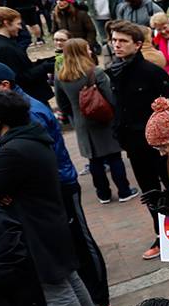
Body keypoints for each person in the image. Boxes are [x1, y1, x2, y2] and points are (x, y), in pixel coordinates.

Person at [0, 89, 99, 306]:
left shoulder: (12, 151)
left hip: (34, 226)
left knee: (54, 287)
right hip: (49, 219)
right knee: (68, 277)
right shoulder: (27, 138)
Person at [105, 20, 169, 260]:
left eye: (123, 41)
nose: (116, 45)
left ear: (137, 45)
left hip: (158, 146)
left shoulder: (152, 73)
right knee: (149, 192)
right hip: (134, 145)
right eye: (114, 40)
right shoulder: (115, 72)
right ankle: (162, 236)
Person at [55, 38, 136, 204]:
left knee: (94, 160)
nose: (90, 51)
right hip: (103, 119)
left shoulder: (61, 76)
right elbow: (110, 97)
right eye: (87, 49)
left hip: (81, 122)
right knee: (114, 157)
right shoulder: (95, 72)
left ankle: (103, 194)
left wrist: (75, 114)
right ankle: (124, 190)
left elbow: (62, 103)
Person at [0, 8, 52, 103]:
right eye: (18, 24)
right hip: (28, 99)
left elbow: (21, 66)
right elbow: (18, 78)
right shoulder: (3, 48)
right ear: (6, 23)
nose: (20, 27)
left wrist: (43, 62)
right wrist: (45, 67)